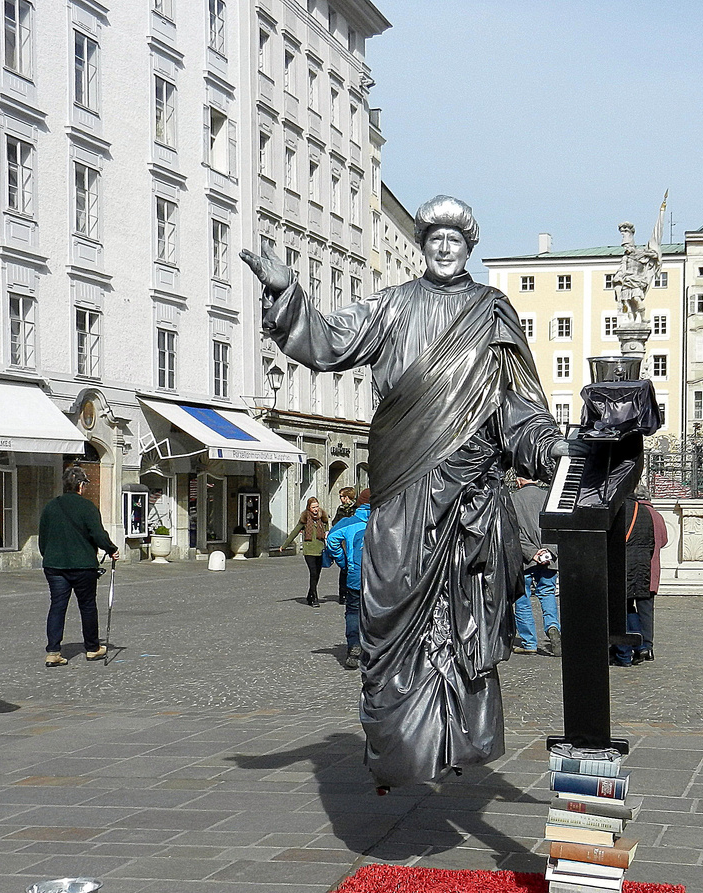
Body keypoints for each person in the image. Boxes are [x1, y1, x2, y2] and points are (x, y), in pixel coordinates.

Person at [242, 195, 570, 790]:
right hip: (401, 489)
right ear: (422, 246)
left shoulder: (494, 313)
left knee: (461, 622)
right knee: (390, 610)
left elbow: (520, 411)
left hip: (468, 499)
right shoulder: (391, 306)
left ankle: (456, 741)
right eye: (434, 238)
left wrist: (552, 449)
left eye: (455, 239)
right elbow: (331, 341)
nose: (444, 247)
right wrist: (288, 294)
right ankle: (404, 749)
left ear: (470, 246)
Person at [39, 466, 119, 667]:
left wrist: (50, 555)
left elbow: (43, 539)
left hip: (55, 565)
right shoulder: (87, 507)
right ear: (81, 486)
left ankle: (53, 651)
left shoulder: (51, 506)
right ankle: (92, 648)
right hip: (82, 565)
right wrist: (111, 549)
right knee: (87, 606)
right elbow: (98, 534)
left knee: (57, 606)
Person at [510, 476, 560, 657]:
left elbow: (512, 533)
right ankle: (553, 626)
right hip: (549, 558)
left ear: (518, 480)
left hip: (525, 560)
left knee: (522, 599)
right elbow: (557, 528)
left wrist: (532, 553)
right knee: (547, 594)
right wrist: (548, 551)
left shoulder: (513, 500)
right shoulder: (549, 498)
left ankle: (529, 642)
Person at [326, 489, 370, 670]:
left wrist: (344, 562)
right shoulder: (385, 519)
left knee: (353, 611)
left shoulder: (349, 522)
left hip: (356, 576)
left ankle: (354, 647)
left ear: (359, 503)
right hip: (381, 579)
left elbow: (332, 540)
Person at [613, 493, 656, 667]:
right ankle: (641, 645)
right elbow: (651, 543)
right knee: (630, 607)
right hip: (642, 568)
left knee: (619, 609)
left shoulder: (618, 510)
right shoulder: (645, 512)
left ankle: (623, 654)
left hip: (622, 567)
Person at [634, 493, 667, 664]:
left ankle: (637, 644)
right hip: (652, 569)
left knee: (629, 608)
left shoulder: (635, 513)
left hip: (635, 569)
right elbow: (664, 540)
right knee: (646, 609)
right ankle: (648, 647)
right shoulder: (657, 515)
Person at [282, 497, 330, 605]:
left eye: (317, 506)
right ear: (309, 507)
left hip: (320, 549)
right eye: (313, 507)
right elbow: (295, 531)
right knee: (313, 573)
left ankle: (310, 595)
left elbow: (327, 532)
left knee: (317, 574)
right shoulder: (304, 518)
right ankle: (314, 598)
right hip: (309, 550)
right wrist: (285, 545)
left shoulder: (323, 517)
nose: (316, 509)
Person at [330, 486, 358, 605]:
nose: (340, 499)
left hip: (354, 541)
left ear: (347, 497)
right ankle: (343, 594)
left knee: (353, 565)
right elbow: (335, 523)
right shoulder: (340, 509)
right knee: (344, 568)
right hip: (343, 542)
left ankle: (353, 590)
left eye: (341, 496)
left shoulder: (357, 509)